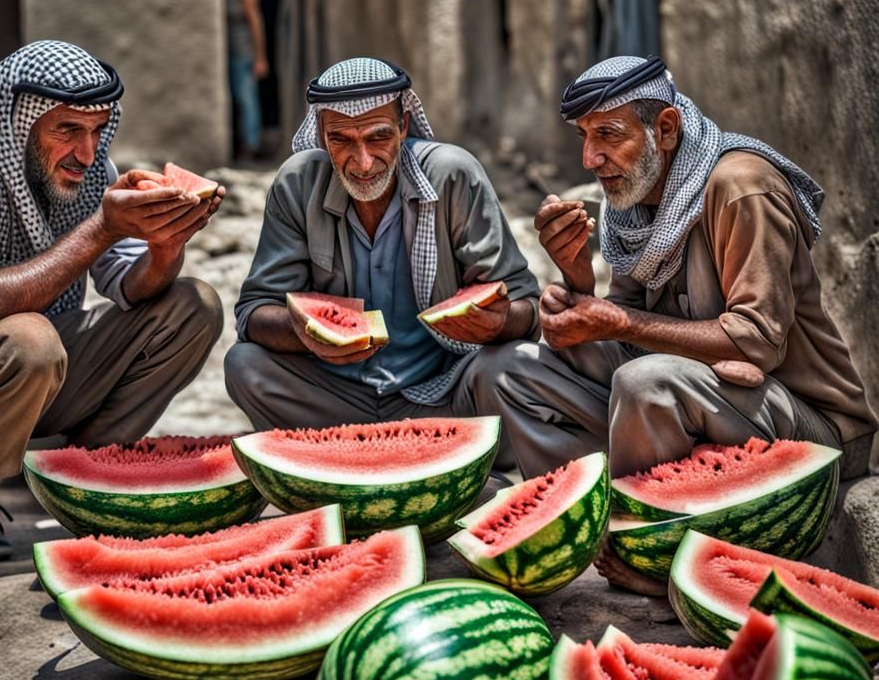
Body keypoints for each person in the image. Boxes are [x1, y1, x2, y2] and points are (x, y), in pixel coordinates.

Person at [474, 55, 875, 585]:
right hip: (700, 396)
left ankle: (657, 559)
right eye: (584, 136)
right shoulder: (635, 196)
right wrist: (574, 282)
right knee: (505, 368)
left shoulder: (740, 187)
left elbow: (755, 345)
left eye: (608, 135)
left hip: (809, 425)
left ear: (664, 129)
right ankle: (584, 530)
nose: (590, 157)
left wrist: (617, 323)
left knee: (647, 382)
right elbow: (623, 325)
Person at [0, 40, 225, 560]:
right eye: (67, 130)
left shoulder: (84, 168)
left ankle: (82, 477)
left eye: (98, 130)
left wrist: (165, 244)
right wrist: (102, 228)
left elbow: (126, 284)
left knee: (195, 305)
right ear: (19, 122)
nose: (88, 151)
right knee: (29, 339)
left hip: (31, 376)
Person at [224, 56, 541, 468]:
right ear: (321, 135)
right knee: (244, 364)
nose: (363, 161)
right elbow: (253, 314)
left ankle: (459, 464)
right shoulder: (297, 184)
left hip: (443, 395)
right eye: (341, 141)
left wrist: (497, 322)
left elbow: (526, 310)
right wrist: (306, 332)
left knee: (512, 364)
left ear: (404, 127)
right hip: (332, 403)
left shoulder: (452, 175)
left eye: (378, 137)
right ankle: (339, 465)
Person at [221, 0, 269, 158]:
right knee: (236, 99)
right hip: (229, 54)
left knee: (246, 98)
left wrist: (260, 57)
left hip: (244, 53)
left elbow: (255, 21)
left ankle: (252, 144)